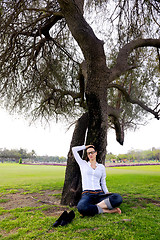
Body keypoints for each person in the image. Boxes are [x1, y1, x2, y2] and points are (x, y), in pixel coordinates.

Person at [72, 144, 123, 217]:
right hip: (87, 194)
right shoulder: (83, 164)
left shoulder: (101, 167)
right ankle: (108, 211)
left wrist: (106, 192)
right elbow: (74, 149)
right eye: (88, 153)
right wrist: (86, 147)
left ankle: (93, 207)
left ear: (96, 153)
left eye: (92, 152)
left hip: (99, 194)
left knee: (118, 198)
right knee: (81, 207)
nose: (90, 154)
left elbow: (103, 182)